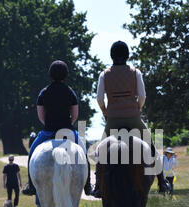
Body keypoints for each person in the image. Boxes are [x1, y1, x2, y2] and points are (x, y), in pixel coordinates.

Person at [91, 41, 170, 198]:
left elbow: (99, 98)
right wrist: (138, 108)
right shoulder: (136, 72)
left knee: (100, 150)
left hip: (113, 119)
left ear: (111, 56)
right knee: (151, 146)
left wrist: (105, 111)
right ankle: (162, 181)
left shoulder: (104, 74)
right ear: (127, 55)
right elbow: (142, 96)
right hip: (133, 118)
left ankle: (98, 185)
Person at [22, 60, 92, 196]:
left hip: (48, 131)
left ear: (50, 75)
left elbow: (41, 116)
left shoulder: (43, 92)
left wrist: (50, 125)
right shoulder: (70, 92)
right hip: (68, 131)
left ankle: (31, 186)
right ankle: (88, 185)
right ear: (66, 75)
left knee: (32, 153)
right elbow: (75, 115)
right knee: (83, 153)